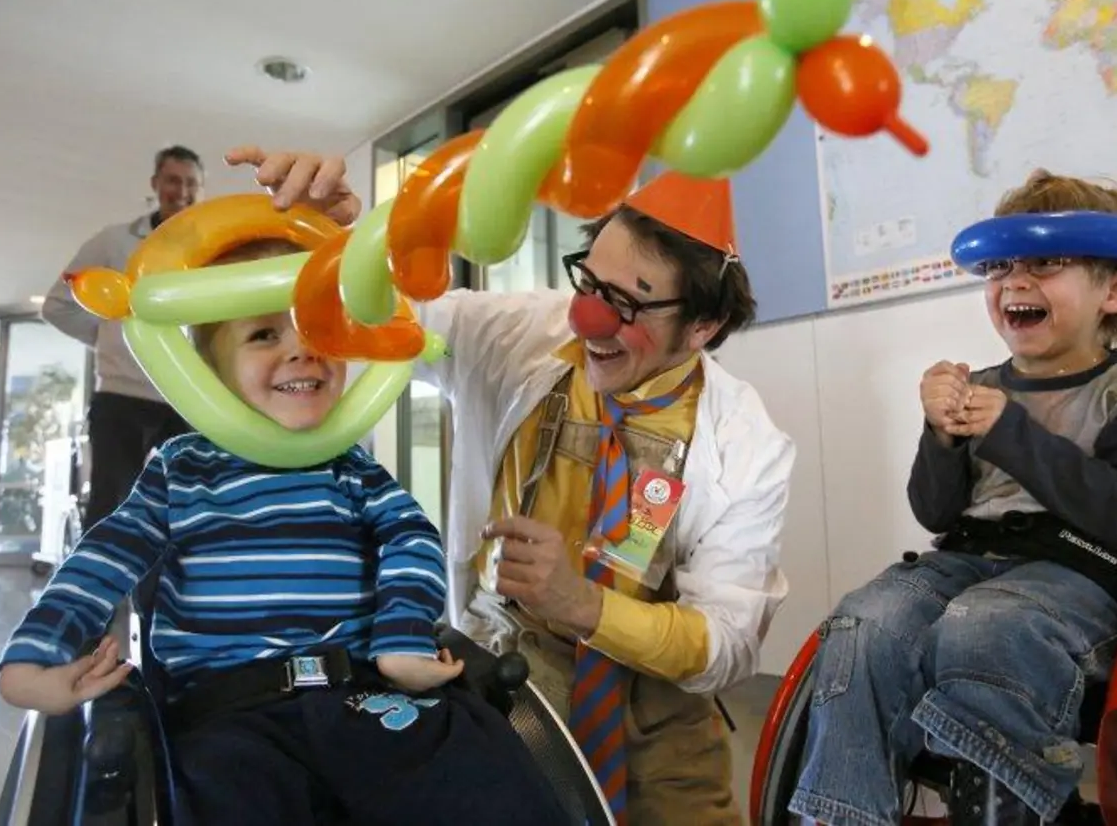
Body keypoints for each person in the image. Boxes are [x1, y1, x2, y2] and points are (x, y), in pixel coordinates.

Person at [226, 146, 796, 825]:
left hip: (658, 712)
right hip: (505, 669)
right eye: (590, 283)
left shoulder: (747, 445)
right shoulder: (528, 334)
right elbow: (399, 317)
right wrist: (346, 234)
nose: (588, 319)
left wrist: (584, 605)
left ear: (703, 326)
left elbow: (728, 644)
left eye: (625, 304)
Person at [0, 240, 572, 826]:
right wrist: (34, 659)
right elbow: (105, 557)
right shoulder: (181, 470)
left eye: (320, 330)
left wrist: (402, 638)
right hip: (230, 715)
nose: (303, 349)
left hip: (362, 696)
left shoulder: (352, 468)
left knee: (485, 774)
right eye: (264, 335)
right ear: (209, 372)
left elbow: (411, 538)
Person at [788, 171, 1117, 826]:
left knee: (987, 624)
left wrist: (1013, 434)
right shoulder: (978, 385)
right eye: (1000, 266)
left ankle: (1012, 808)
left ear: (1116, 291)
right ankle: (844, 813)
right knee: (867, 620)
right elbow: (935, 513)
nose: (1015, 281)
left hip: (1086, 575)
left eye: (1046, 263)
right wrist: (942, 436)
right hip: (971, 561)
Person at [40, 146, 203, 533]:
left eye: (191, 183)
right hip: (122, 398)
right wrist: (111, 339)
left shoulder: (210, 247)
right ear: (155, 184)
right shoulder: (114, 242)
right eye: (173, 181)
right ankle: (99, 574)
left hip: (187, 399)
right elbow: (58, 305)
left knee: (191, 506)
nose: (181, 191)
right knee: (110, 506)